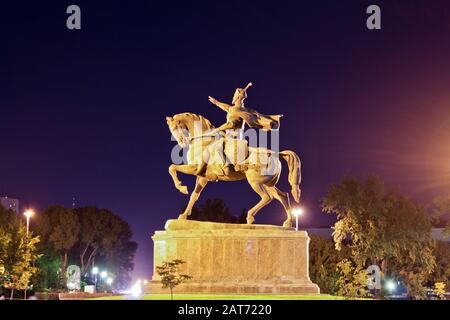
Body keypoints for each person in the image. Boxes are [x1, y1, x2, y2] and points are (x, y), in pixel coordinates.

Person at [202, 82, 282, 176]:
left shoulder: (236, 110)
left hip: (233, 138)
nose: (233, 97)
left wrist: (218, 129)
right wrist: (216, 102)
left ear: (237, 97)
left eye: (235, 95)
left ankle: (225, 167)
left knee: (216, 146)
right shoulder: (240, 109)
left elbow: (231, 124)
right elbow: (226, 107)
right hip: (236, 136)